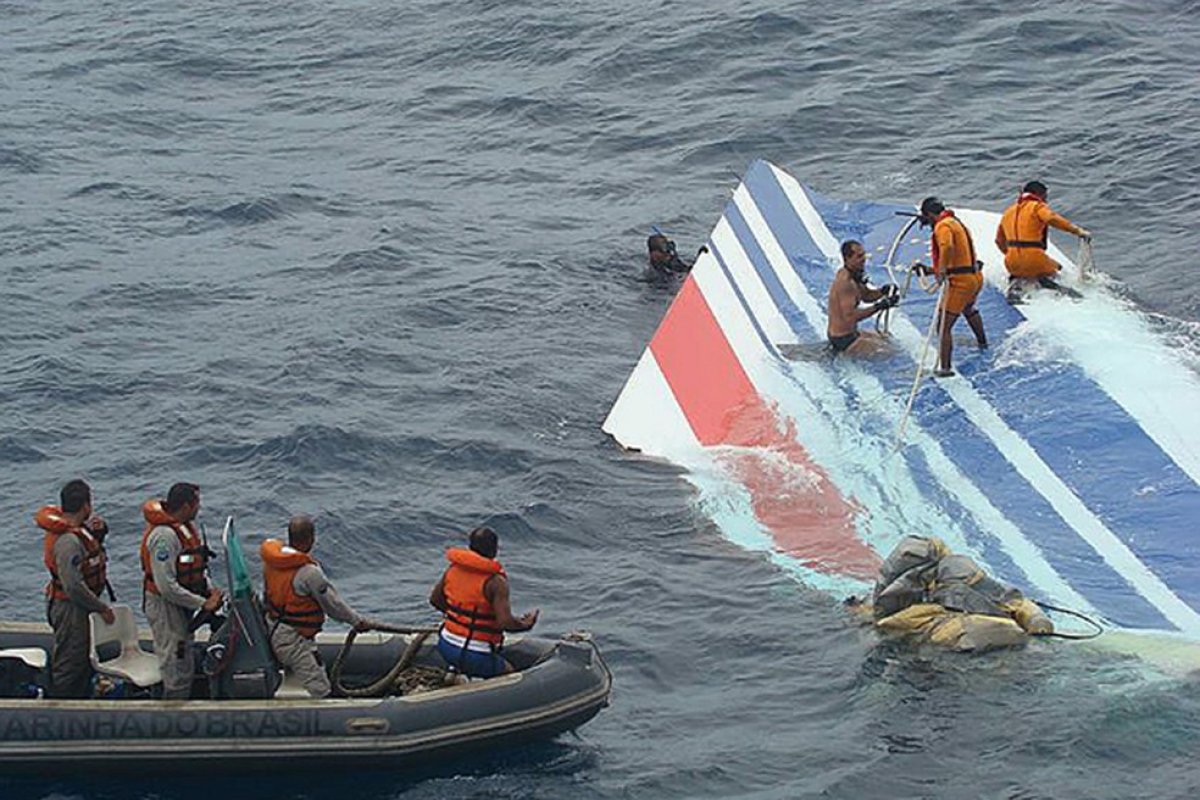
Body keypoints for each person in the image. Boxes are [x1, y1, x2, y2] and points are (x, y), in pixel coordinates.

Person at [261, 515, 375, 698]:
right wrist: (357, 621)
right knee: (320, 688)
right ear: (311, 539)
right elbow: (333, 606)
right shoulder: (309, 573)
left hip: (274, 629)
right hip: (292, 640)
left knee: (317, 667)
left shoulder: (272, 564)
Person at [139, 482, 223, 699]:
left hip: (183, 603)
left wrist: (211, 592)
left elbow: (197, 566)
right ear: (186, 506)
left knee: (184, 654)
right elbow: (166, 586)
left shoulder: (185, 530)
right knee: (174, 658)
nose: (199, 508)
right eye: (196, 503)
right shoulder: (165, 537)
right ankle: (172, 708)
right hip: (165, 605)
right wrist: (202, 603)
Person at [34, 479, 115, 698]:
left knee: (83, 660)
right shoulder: (68, 541)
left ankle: (82, 698)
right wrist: (101, 608)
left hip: (79, 606)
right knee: (70, 662)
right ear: (86, 506)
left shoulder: (79, 532)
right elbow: (73, 586)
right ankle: (61, 707)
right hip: (70, 608)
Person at [429, 527, 539, 678]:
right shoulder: (495, 581)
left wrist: (460, 619)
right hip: (475, 653)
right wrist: (526, 624)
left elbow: (435, 600)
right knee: (509, 674)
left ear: (471, 546)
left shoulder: (453, 569)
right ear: (494, 550)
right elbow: (505, 623)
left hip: (445, 645)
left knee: (468, 661)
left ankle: (456, 675)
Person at [918, 197, 988, 377]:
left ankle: (945, 368)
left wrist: (940, 270)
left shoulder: (943, 226)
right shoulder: (956, 222)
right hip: (975, 278)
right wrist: (930, 270)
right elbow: (958, 260)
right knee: (968, 308)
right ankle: (982, 343)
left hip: (961, 283)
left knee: (943, 326)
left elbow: (947, 246)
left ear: (930, 215)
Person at [994, 180, 1091, 303]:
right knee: (1058, 268)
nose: (1046, 201)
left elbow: (998, 241)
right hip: (1035, 260)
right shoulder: (1037, 207)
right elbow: (1051, 218)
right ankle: (1047, 282)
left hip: (1011, 263)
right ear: (1038, 194)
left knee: (1022, 273)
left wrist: (1014, 255)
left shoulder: (1008, 212)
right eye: (1045, 197)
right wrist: (1077, 231)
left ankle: (1016, 286)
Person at [826, 239, 898, 355]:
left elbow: (866, 296)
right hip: (844, 339)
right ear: (847, 259)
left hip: (852, 332)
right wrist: (879, 306)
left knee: (886, 338)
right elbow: (851, 317)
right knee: (890, 353)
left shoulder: (854, 274)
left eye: (864, 255)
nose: (864, 259)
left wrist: (883, 291)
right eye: (859, 256)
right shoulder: (845, 283)